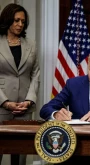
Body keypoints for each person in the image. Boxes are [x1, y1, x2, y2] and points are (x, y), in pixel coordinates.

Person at [0, 3, 40, 165]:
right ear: (8, 20)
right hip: (2, 105)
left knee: (21, 153)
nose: (20, 24)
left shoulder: (31, 44)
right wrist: (5, 102)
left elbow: (35, 74)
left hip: (24, 106)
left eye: (22, 21)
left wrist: (29, 100)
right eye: (16, 20)